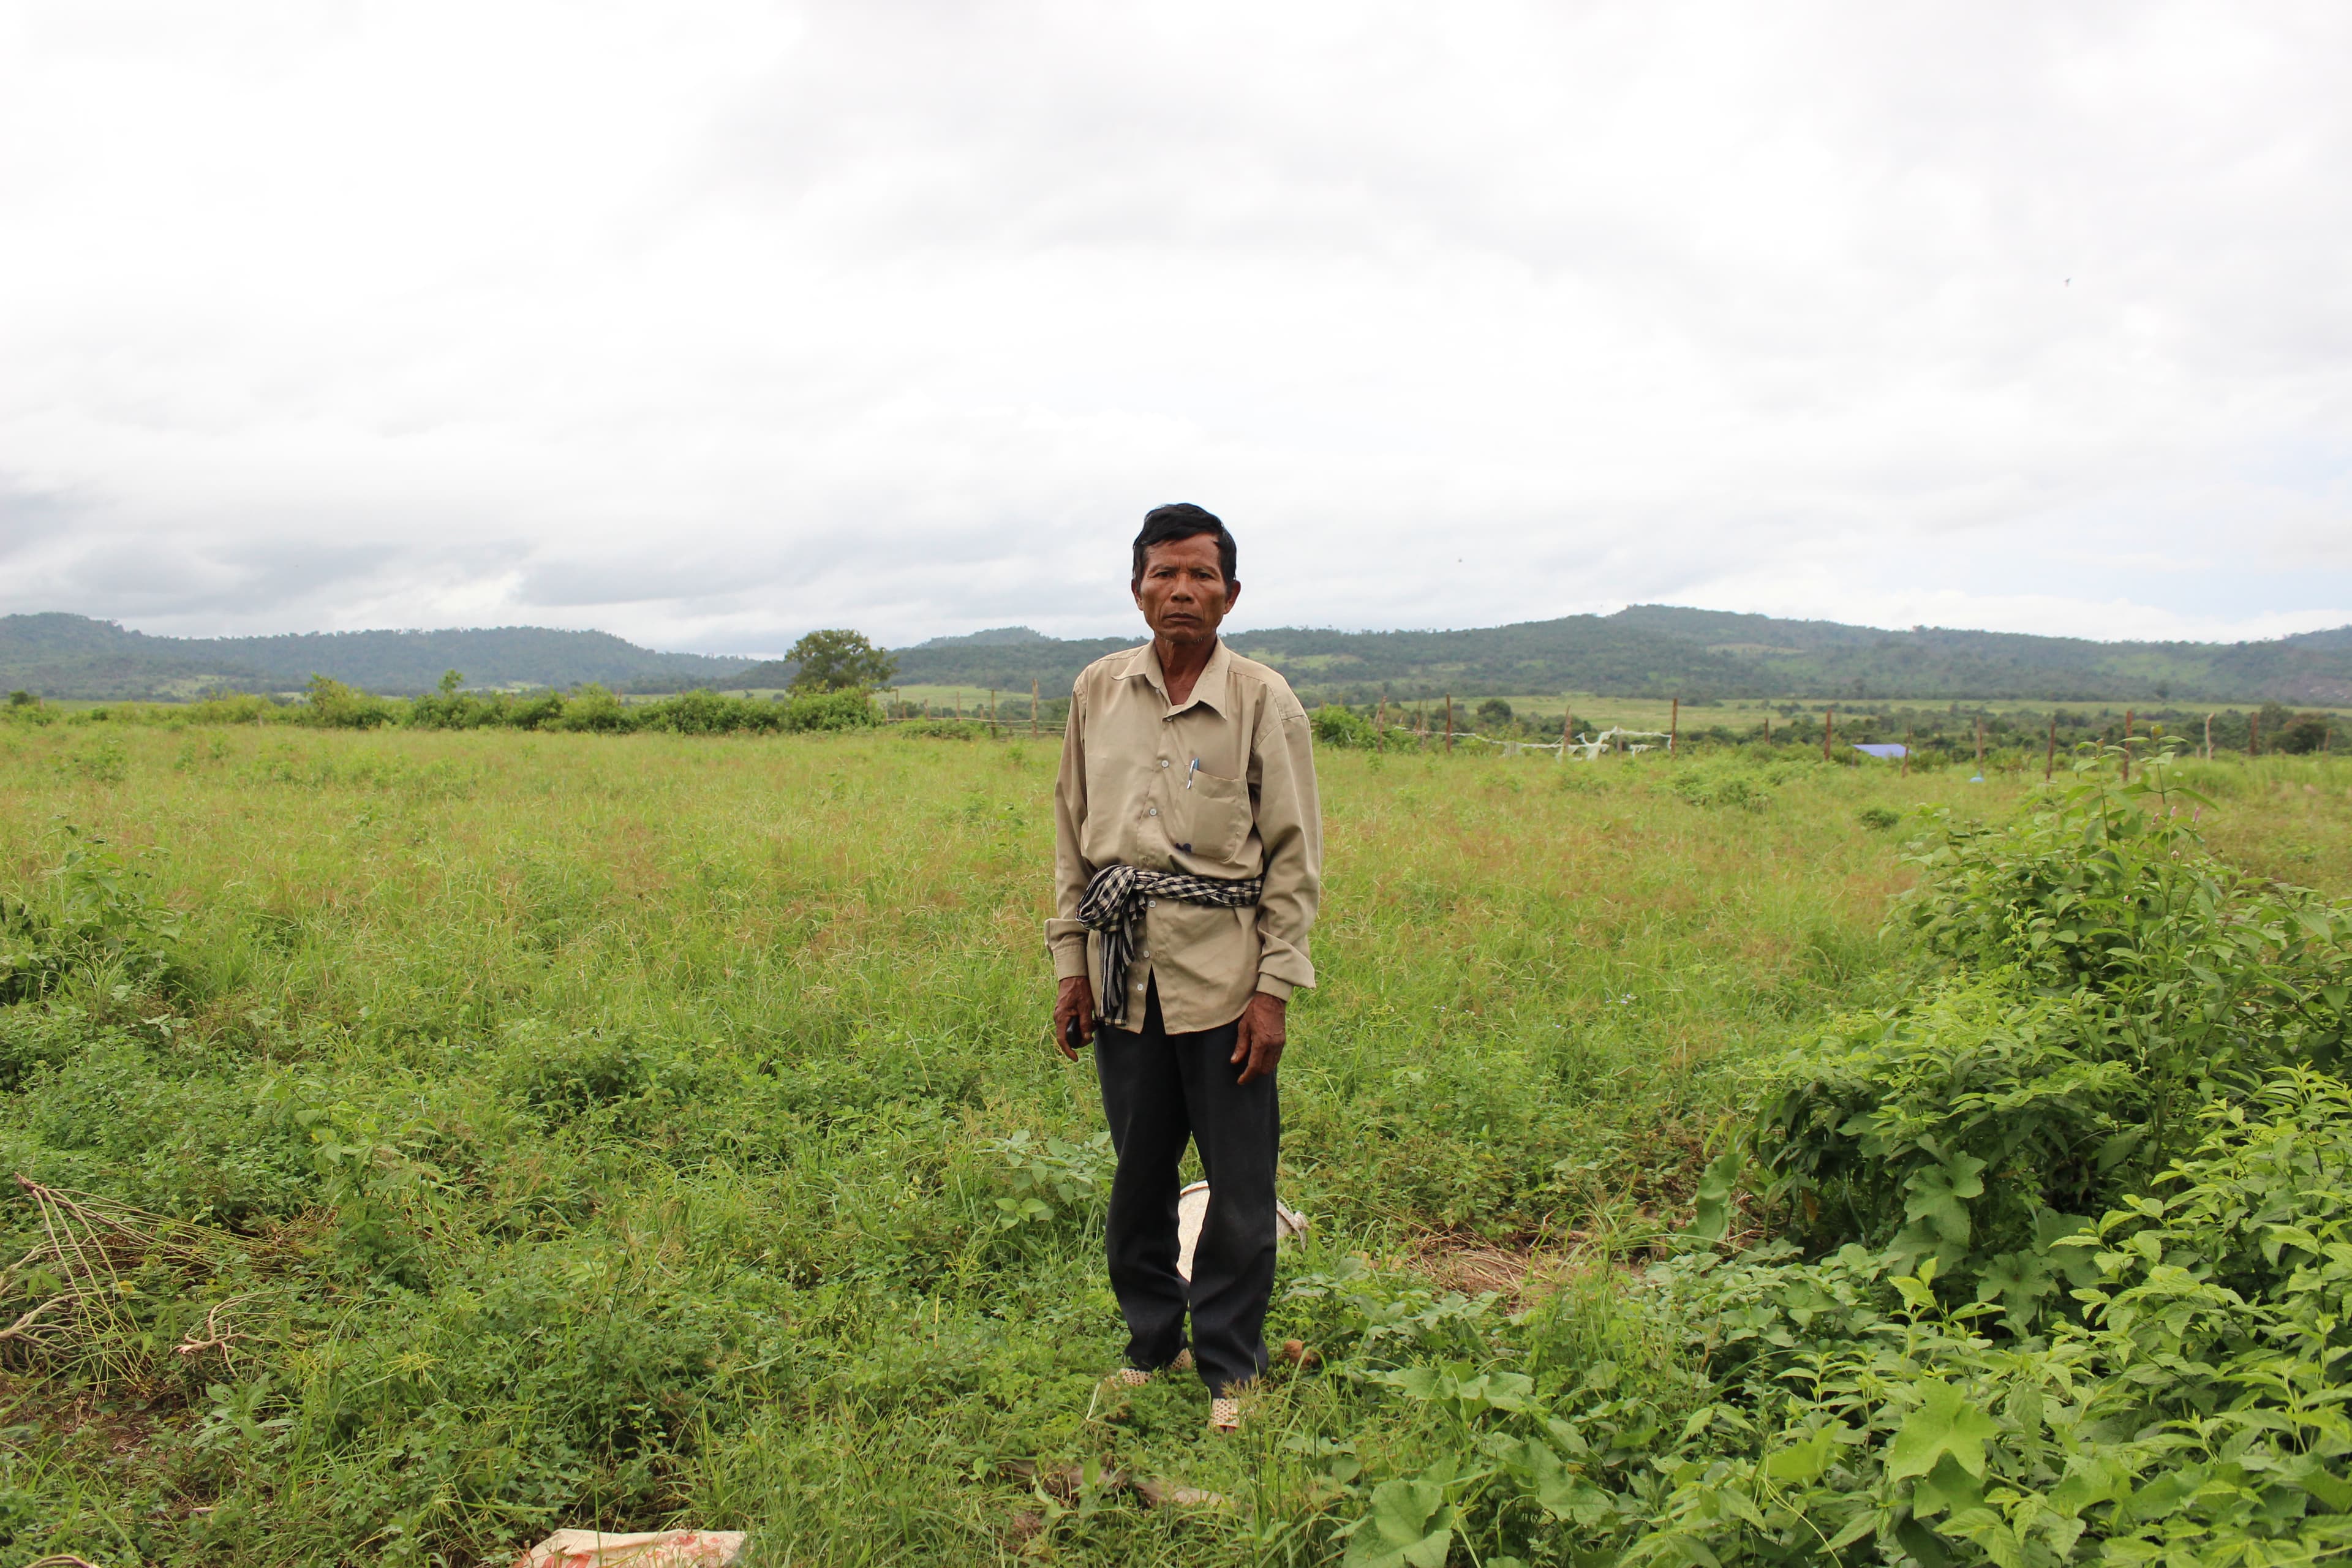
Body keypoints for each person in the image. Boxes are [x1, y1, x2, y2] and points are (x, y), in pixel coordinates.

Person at [1047, 502, 1323, 1435]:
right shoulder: (1096, 692)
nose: (1182, 591)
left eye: (1201, 575)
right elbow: (1071, 842)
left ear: (1231, 594)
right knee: (1139, 1173)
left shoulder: (1262, 700)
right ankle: (1150, 1340)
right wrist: (1070, 966)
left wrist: (1275, 988)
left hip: (1225, 978)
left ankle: (1230, 1368)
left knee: (1241, 1183)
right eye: (1165, 573)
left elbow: (1293, 858)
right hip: (1123, 972)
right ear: (1137, 589)